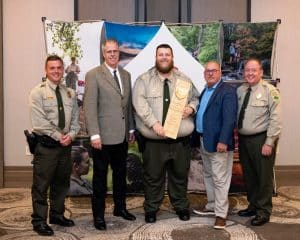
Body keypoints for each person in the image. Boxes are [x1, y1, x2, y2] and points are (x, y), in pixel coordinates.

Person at [132, 43, 199, 223]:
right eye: (160, 54)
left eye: (167, 55)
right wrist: (154, 124)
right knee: (153, 177)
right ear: (156, 57)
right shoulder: (143, 80)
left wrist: (191, 108)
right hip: (155, 141)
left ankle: (181, 206)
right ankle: (151, 208)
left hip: (179, 140)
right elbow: (139, 104)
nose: (164, 57)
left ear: (172, 57)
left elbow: (195, 97)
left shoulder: (184, 79)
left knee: (180, 175)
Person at [83, 39, 136, 231]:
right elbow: (89, 107)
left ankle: (119, 208)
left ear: (119, 54)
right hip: (102, 138)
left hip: (122, 136)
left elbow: (127, 105)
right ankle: (98, 215)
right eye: (109, 52)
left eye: (115, 51)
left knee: (120, 175)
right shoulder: (94, 75)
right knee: (100, 177)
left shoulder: (126, 75)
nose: (113, 54)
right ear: (104, 54)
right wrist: (94, 135)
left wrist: (130, 129)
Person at [29, 55, 80, 236]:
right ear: (46, 70)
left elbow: (75, 120)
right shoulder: (38, 93)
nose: (56, 71)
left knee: (61, 184)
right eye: (52, 68)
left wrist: (72, 135)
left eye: (59, 67)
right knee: (41, 185)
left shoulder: (70, 93)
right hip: (46, 147)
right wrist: (60, 136)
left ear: (63, 69)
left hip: (65, 146)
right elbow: (39, 123)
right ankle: (39, 220)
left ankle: (57, 215)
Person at [237, 58, 281, 226]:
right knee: (249, 176)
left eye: (253, 70)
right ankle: (253, 205)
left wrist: (269, 142)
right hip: (244, 140)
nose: (250, 73)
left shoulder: (270, 91)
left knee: (263, 177)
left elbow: (276, 118)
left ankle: (264, 211)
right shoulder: (240, 90)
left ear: (261, 72)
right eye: (247, 70)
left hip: (261, 139)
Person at [193, 61, 237, 229]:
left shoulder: (227, 91)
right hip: (205, 140)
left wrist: (223, 141)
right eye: (207, 71)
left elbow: (229, 119)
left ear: (220, 72)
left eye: (214, 71)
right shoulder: (205, 90)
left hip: (219, 143)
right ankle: (212, 206)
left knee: (220, 179)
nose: (210, 73)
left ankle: (221, 214)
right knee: (209, 175)